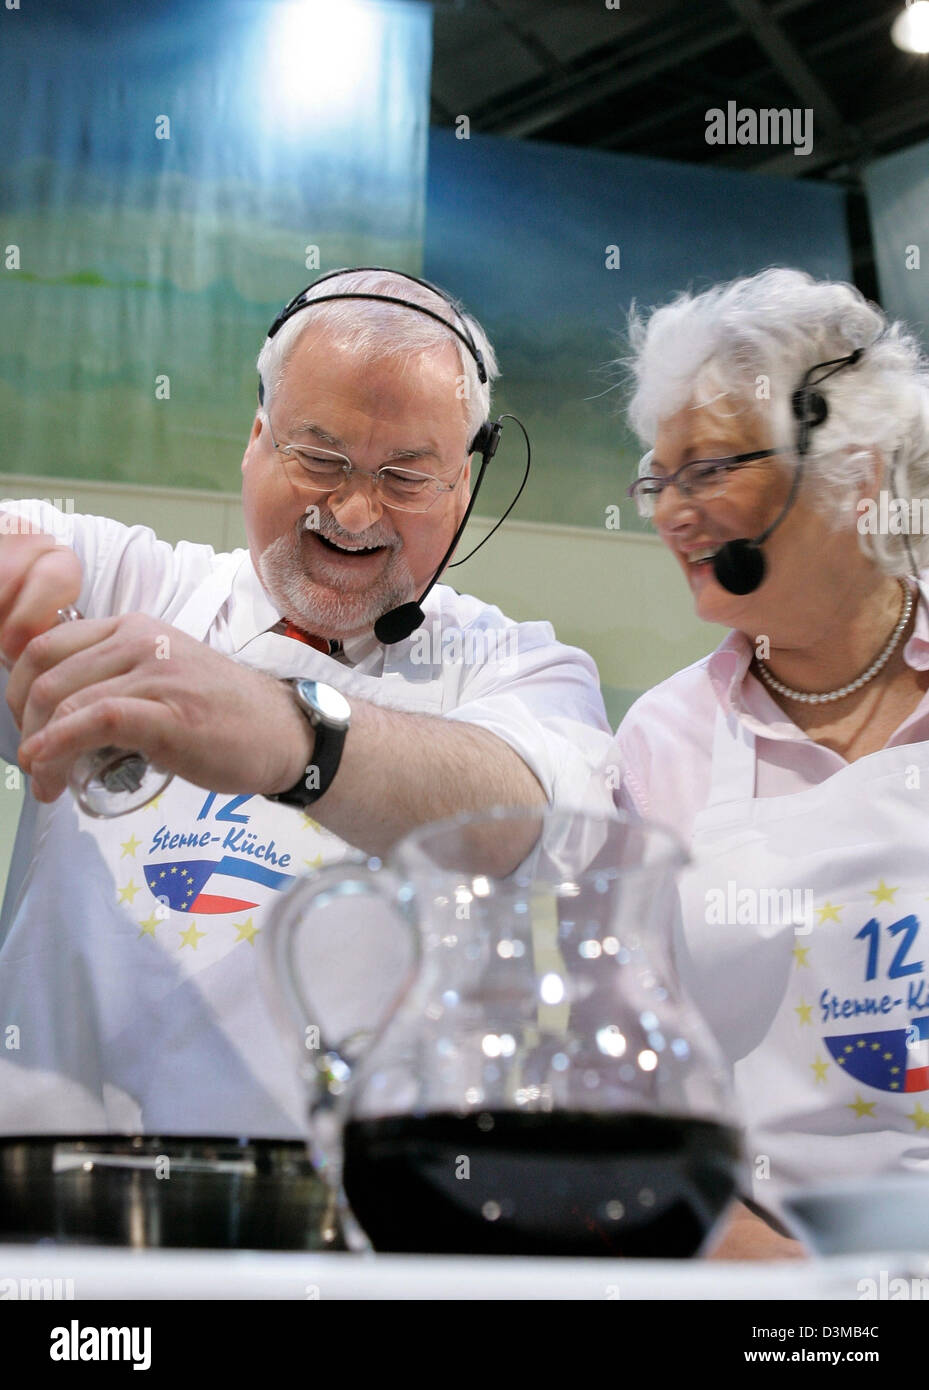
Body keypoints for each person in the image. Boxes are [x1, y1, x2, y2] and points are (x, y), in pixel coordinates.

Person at [0, 267, 611, 1136]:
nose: (355, 509)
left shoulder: (516, 664)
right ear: (255, 439)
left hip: (355, 1249)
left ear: (463, 490)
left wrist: (293, 734)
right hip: (50, 1224)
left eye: (406, 477)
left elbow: (530, 817)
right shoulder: (124, 585)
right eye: (318, 458)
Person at [602, 268, 929, 1258]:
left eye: (706, 469)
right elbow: (628, 1087)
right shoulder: (659, 744)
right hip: (758, 1278)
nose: (669, 511)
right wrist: (778, 1279)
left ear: (854, 472)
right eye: (657, 477)